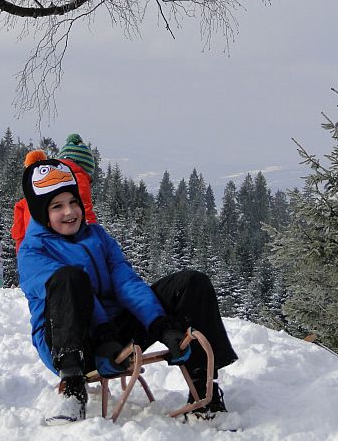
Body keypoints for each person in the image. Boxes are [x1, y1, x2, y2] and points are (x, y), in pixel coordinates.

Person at [18, 159, 238, 425]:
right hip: (74, 343)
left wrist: (160, 324)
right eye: (57, 206)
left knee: (191, 283)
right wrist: (102, 336)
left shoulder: (97, 236)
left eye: (73, 202)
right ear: (41, 213)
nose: (70, 212)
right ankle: (73, 392)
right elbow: (78, 292)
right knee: (69, 278)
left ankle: (204, 389)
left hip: (114, 335)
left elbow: (126, 282)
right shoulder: (33, 252)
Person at [10, 135, 97, 254]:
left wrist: (22, 254)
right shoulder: (76, 178)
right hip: (60, 248)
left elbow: (20, 216)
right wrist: (95, 241)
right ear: (85, 166)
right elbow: (85, 212)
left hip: (34, 250)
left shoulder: (42, 181)